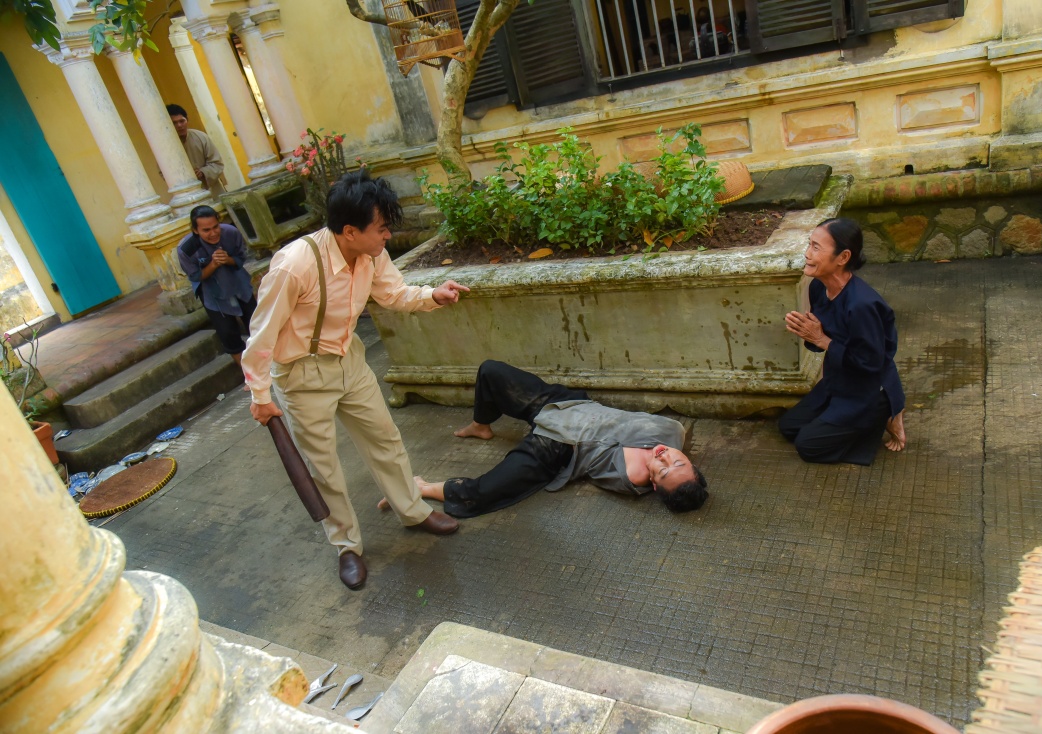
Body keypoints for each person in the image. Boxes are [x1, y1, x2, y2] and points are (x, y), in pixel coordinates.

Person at [242, 172, 470, 590]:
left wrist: (431, 295)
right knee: (324, 467)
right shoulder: (295, 265)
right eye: (381, 228)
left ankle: (413, 511)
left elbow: (392, 293)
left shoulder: (371, 253)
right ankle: (346, 545)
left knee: (385, 438)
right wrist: (260, 395)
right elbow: (262, 334)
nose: (387, 235)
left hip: (350, 360)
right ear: (350, 231)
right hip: (302, 374)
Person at [387, 360, 709, 519]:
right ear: (689, 461)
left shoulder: (631, 479)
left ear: (654, 485)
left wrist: (645, 463)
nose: (665, 457)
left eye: (662, 470)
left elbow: (591, 461)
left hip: (555, 448)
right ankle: (480, 424)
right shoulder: (672, 433)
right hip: (568, 405)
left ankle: (422, 488)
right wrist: (660, 456)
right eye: (678, 461)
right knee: (491, 370)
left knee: (485, 492)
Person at [779, 218, 906, 465]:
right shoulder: (818, 288)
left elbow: (870, 362)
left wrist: (821, 339)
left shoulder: (861, 305)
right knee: (788, 427)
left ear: (843, 257)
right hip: (839, 379)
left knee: (808, 447)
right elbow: (821, 337)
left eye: (816, 247)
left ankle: (888, 412)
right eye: (809, 245)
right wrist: (809, 333)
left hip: (868, 388)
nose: (807, 254)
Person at [177, 206, 256, 373]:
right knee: (228, 335)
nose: (213, 233)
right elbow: (196, 276)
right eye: (206, 230)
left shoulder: (231, 233)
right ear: (195, 230)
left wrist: (228, 260)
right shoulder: (186, 249)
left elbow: (241, 258)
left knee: (258, 325)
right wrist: (213, 264)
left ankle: (274, 366)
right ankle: (251, 375)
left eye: (215, 227)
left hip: (239, 285)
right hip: (214, 295)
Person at [167, 103, 226, 199]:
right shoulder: (166, 146)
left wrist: (202, 172)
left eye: (182, 121)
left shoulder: (201, 137)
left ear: (187, 120)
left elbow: (217, 164)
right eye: (174, 123)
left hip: (212, 190)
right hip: (185, 195)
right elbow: (163, 172)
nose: (179, 125)